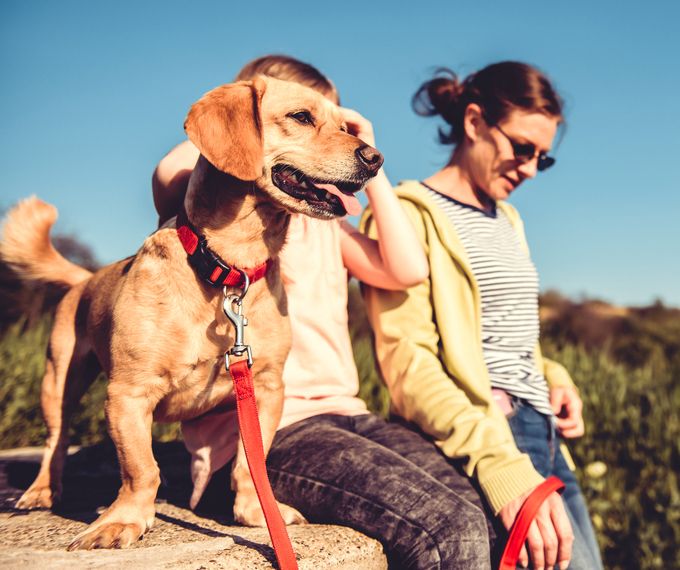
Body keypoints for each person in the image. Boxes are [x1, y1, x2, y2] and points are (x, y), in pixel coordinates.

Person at [153, 54, 496, 569]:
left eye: (335, 122)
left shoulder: (322, 224)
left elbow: (405, 269)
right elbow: (172, 167)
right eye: (305, 119)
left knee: (479, 510)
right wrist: (253, 101)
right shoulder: (211, 217)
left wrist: (368, 155)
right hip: (271, 432)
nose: (330, 135)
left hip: (346, 414)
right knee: (452, 530)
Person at [361, 61, 603, 570]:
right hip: (488, 438)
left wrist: (553, 377)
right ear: (474, 122)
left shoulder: (509, 218)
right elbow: (408, 365)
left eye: (543, 158)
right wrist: (498, 464)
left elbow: (510, 334)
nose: (531, 169)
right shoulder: (406, 213)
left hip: (547, 437)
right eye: (521, 148)